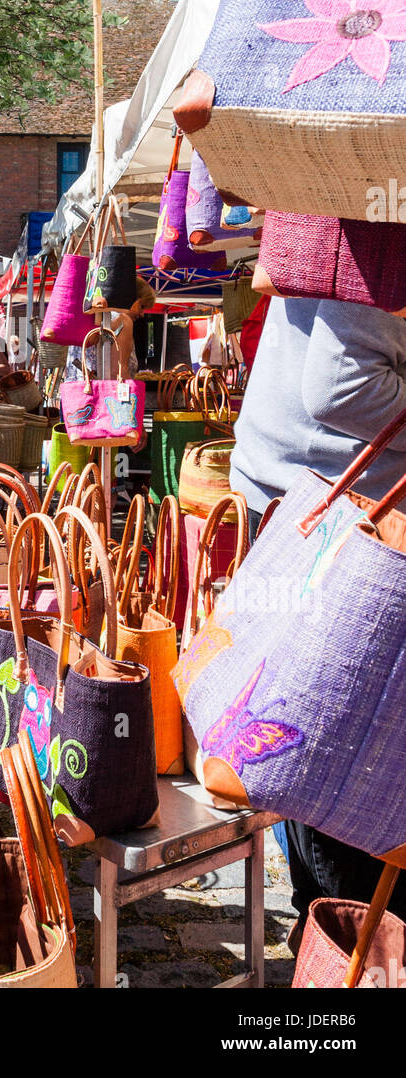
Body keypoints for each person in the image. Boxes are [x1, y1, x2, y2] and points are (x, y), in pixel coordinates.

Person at [230, 294, 406, 935]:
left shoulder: (333, 207)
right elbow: (345, 387)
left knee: (303, 737)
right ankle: (349, 945)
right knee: (334, 751)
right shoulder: (376, 216)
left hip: (300, 495)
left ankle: (328, 933)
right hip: (335, 516)